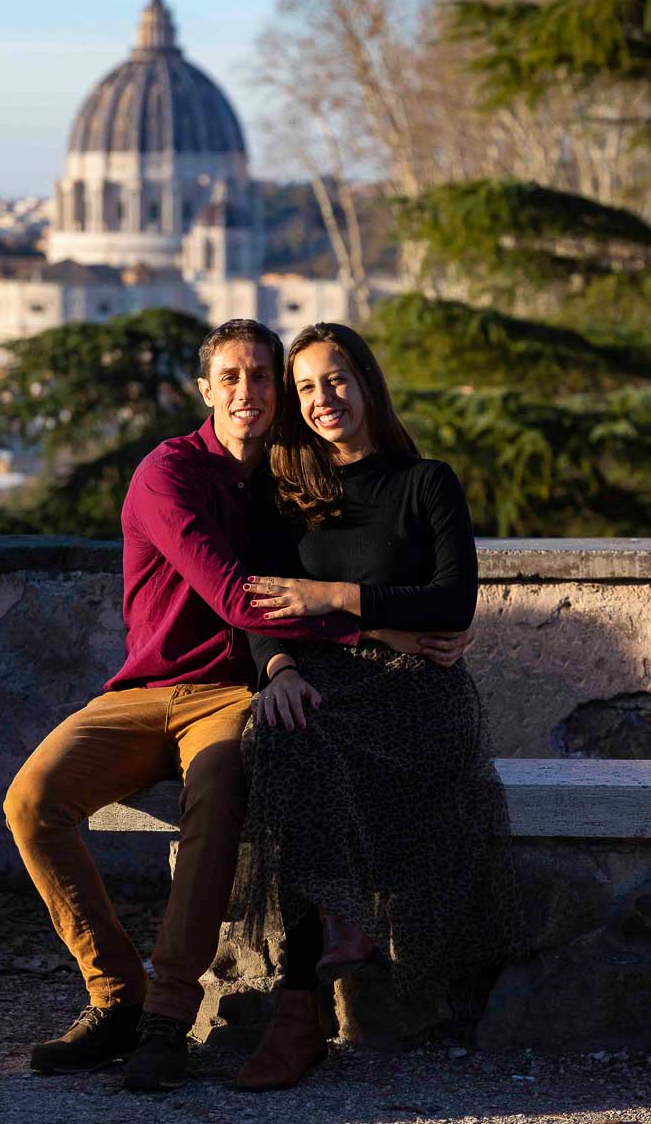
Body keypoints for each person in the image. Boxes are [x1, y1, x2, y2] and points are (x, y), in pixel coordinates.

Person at [3, 318, 468, 1094]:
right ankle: (116, 992)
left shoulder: (288, 484)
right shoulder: (170, 473)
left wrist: (289, 658)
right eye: (232, 378)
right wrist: (378, 625)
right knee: (30, 801)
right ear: (206, 390)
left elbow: (413, 572)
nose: (249, 392)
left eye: (262, 378)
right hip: (144, 689)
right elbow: (236, 595)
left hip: (229, 694)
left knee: (219, 795)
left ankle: (166, 1018)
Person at [232, 323, 523, 1092]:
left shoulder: (427, 482)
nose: (322, 399)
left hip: (416, 689)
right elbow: (260, 606)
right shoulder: (283, 492)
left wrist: (331, 598)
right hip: (320, 679)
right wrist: (283, 667)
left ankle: (333, 942)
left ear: (365, 383)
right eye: (304, 388)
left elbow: (453, 603)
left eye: (335, 380)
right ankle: (302, 1012)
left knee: (304, 751)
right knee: (285, 735)